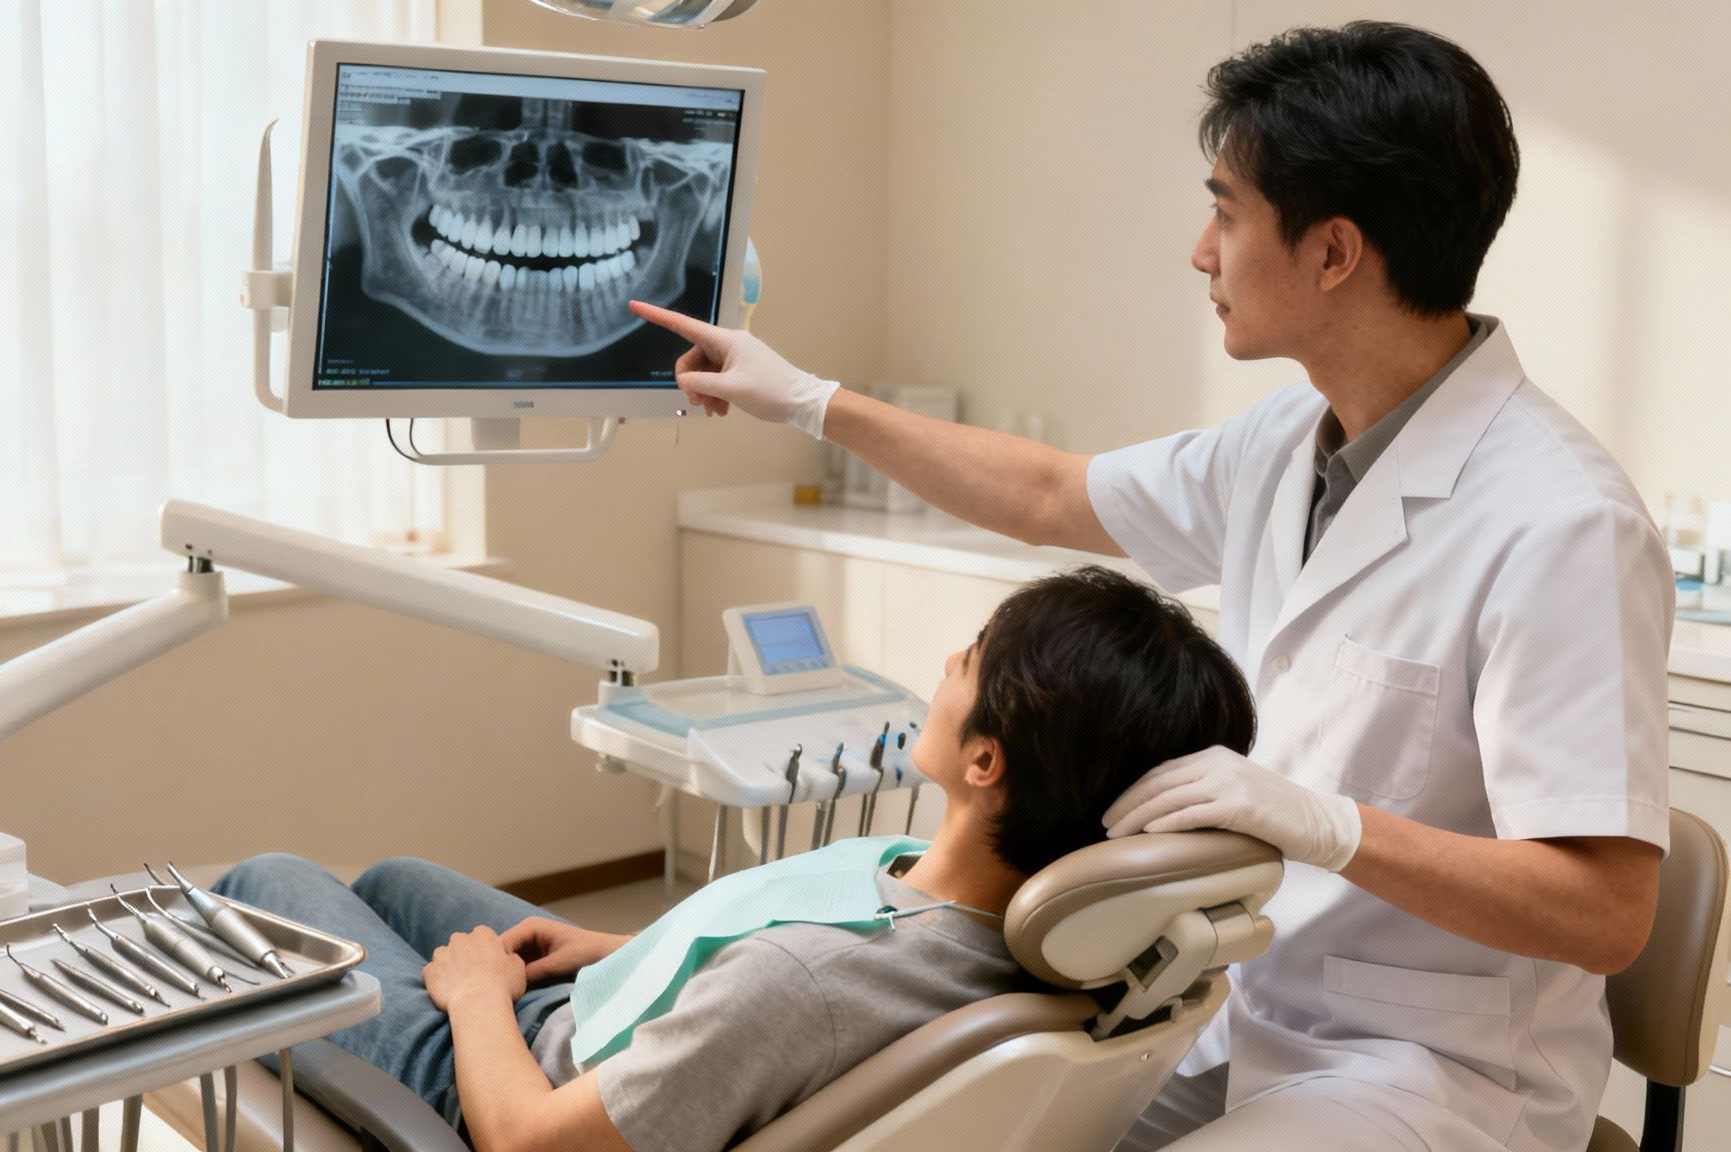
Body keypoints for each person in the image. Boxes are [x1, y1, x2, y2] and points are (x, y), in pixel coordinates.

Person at [629, 20, 1671, 1152]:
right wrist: (815, 403)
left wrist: (1327, 825)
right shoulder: (1289, 441)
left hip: (1437, 1072)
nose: (1199, 250)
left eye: (1224, 212)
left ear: (1332, 253)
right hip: (1243, 1009)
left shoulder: (1559, 522)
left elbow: (1604, 915)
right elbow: (1047, 494)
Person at [215, 567, 1256, 1152]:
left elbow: (533, 1144)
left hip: (527, 1080)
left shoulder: (806, 986)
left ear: (985, 759)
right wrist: (638, 940)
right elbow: (800, 969)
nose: (946, 664)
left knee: (264, 880)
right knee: (395, 878)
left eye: (968, 657)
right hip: (656, 1012)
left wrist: (480, 1001)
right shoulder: (1040, 935)